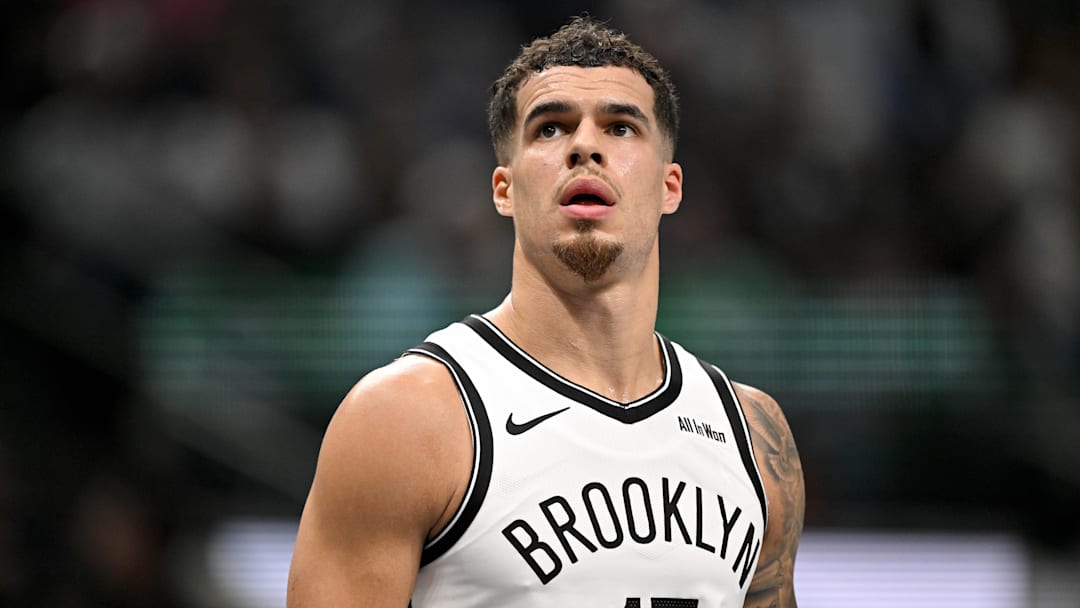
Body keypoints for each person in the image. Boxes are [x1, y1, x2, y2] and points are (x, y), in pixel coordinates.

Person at [288, 15, 804, 607]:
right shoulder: (406, 418)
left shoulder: (753, 437)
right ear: (504, 189)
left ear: (670, 186)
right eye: (551, 128)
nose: (585, 146)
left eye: (621, 127)